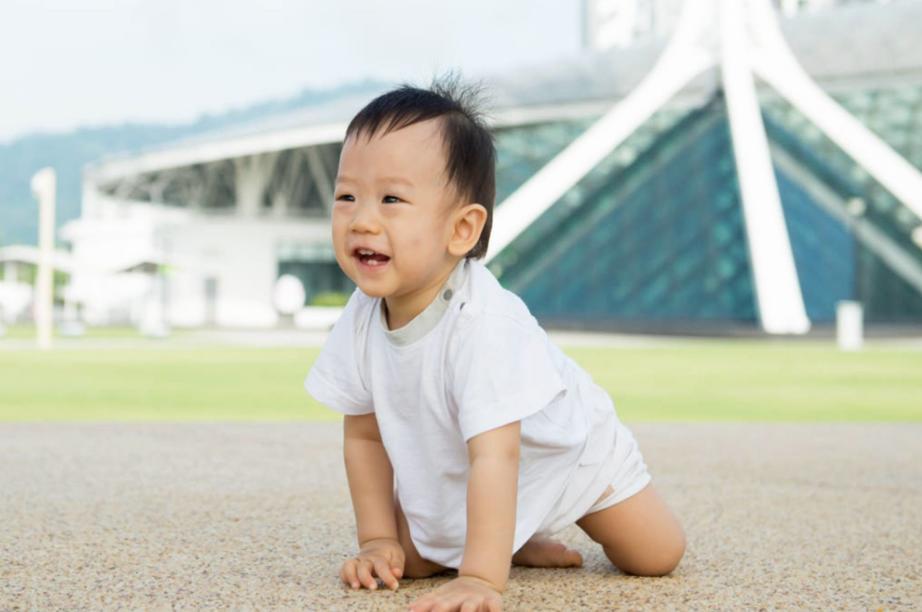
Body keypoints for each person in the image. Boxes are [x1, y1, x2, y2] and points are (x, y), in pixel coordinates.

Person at [305, 75, 686, 612]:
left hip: (567, 454)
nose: (362, 219)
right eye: (347, 196)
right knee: (405, 565)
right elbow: (364, 437)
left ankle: (502, 543)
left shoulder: (484, 324)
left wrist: (482, 578)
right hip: (477, 468)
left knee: (656, 555)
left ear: (461, 230)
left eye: (391, 199)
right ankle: (513, 536)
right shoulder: (362, 316)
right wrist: (377, 539)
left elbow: (498, 455)